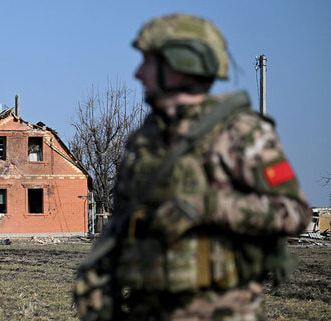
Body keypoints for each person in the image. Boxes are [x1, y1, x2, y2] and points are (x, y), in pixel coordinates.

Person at [74, 13, 312, 321]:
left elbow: (295, 213)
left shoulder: (241, 132)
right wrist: (96, 273)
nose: (138, 73)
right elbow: (123, 221)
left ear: (180, 66)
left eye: (148, 62)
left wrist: (207, 206)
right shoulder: (143, 142)